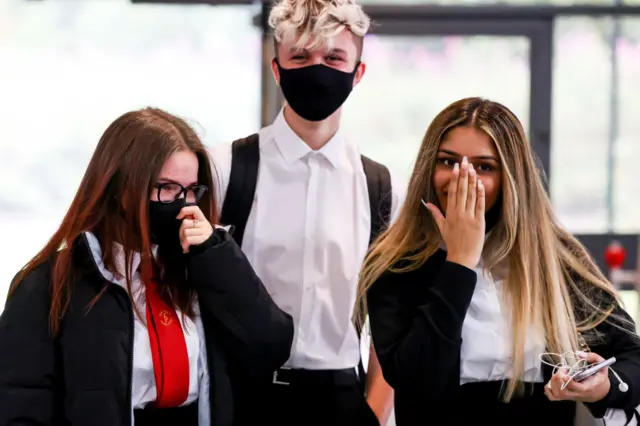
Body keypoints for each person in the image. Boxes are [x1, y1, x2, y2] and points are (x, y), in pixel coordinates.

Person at [0, 107, 294, 426]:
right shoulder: (49, 283)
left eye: (192, 190)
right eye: (166, 187)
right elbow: (22, 402)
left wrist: (217, 255)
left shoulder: (203, 266)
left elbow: (270, 347)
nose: (184, 203)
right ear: (120, 187)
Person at [356, 97, 640, 425]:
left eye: (484, 167)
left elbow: (632, 357)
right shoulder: (397, 263)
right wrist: (460, 262)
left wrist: (603, 387)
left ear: (511, 178)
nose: (463, 178)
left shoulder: (554, 259)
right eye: (448, 162)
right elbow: (417, 382)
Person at [209, 1, 402, 425]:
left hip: (342, 397)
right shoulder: (226, 168)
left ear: (358, 72)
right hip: (245, 397)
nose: (317, 69)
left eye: (333, 57)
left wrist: (376, 409)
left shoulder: (381, 187)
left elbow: (394, 314)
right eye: (300, 57)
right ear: (277, 69)